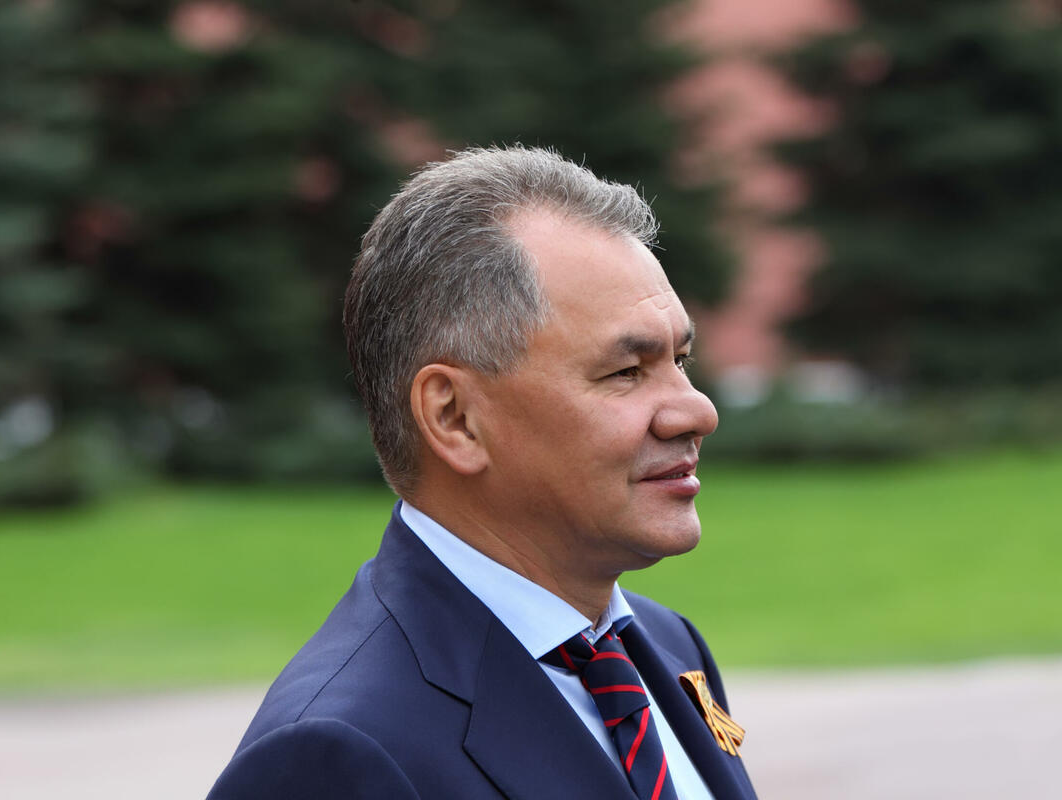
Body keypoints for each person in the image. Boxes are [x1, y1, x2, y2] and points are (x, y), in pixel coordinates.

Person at [208, 146, 758, 799]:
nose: (697, 411)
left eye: (680, 360)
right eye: (625, 372)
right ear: (455, 418)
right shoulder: (336, 753)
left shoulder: (666, 645)